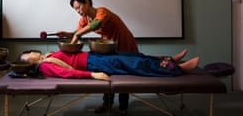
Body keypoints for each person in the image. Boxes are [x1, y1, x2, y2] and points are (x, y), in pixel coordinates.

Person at [54, 0, 139, 114]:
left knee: (123, 75)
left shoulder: (102, 12)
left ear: (87, 3)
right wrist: (66, 34)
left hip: (124, 42)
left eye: (79, 7)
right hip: (109, 45)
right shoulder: (84, 19)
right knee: (106, 72)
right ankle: (107, 104)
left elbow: (95, 25)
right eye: (75, 9)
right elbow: (77, 33)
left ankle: (123, 107)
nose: (78, 11)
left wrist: (76, 35)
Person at [20, 49, 199, 81]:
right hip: (92, 64)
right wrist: (92, 75)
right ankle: (177, 69)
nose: (29, 55)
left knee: (132, 55)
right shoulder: (45, 65)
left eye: (28, 53)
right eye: (26, 58)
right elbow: (68, 74)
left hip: (92, 56)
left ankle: (169, 60)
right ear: (31, 63)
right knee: (134, 63)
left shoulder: (48, 55)